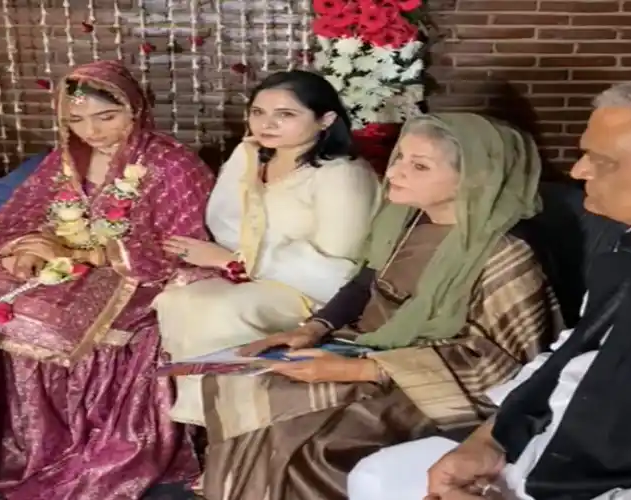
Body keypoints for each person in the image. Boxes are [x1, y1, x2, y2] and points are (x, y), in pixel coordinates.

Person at [348, 73, 631, 500]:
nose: (577, 170)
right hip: (535, 452)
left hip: (608, 487)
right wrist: (487, 442)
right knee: (377, 476)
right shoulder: (626, 249)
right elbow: (568, 353)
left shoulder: (511, 251)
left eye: (603, 161)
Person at [198, 112, 564, 500]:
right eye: (400, 157)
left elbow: (501, 363)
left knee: (304, 429)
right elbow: (363, 283)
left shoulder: (506, 253)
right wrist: (313, 329)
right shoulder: (404, 220)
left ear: (475, 177)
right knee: (243, 381)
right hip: (370, 347)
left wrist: (359, 370)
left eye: (419, 166)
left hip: (436, 385)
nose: (396, 172)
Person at [0, 60, 216, 499]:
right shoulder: (64, 159)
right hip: (62, 263)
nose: (90, 131)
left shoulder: (174, 165)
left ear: (135, 109)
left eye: (105, 117)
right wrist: (24, 249)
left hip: (136, 276)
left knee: (41, 317)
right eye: (75, 120)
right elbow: (18, 218)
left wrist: (88, 253)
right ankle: (4, 448)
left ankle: (66, 445)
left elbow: (184, 247)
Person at [153, 70, 381, 425]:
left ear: (326, 119)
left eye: (285, 114)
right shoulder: (251, 156)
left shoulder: (342, 174)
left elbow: (338, 268)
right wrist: (228, 263)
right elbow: (225, 223)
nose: (267, 124)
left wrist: (236, 262)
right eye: (258, 112)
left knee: (221, 310)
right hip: (252, 273)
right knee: (177, 298)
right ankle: (209, 421)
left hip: (313, 290)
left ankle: (239, 425)